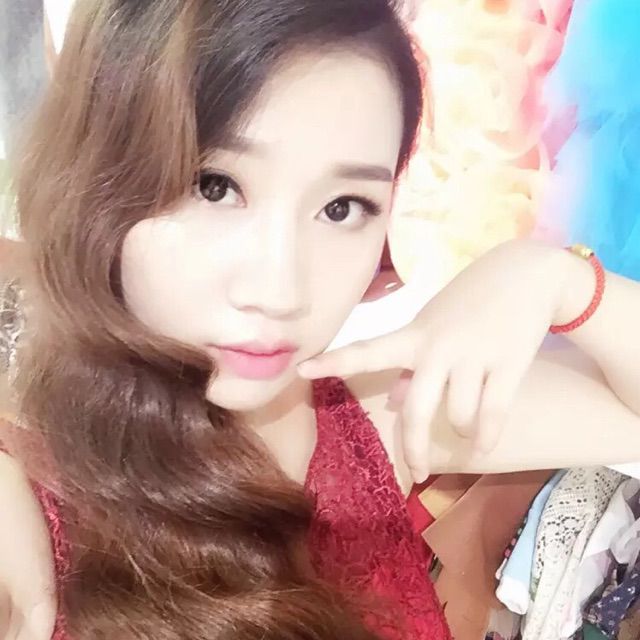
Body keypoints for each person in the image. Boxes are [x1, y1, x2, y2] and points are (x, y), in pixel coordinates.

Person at [1, 1, 640, 639]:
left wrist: (557, 279)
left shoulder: (381, 416)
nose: (281, 291)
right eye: (213, 185)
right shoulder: (25, 512)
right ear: (95, 176)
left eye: (342, 207)